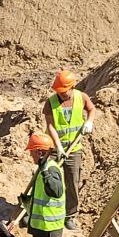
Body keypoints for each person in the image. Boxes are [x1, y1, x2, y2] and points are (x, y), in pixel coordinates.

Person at [43, 69, 95, 228]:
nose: (62, 94)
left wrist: (89, 122)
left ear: (72, 87)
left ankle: (70, 215)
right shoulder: (50, 103)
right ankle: (44, 211)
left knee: (72, 181)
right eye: (59, 91)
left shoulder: (81, 97)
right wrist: (58, 146)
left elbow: (91, 109)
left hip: (74, 149)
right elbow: (50, 126)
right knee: (48, 179)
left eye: (65, 91)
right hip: (54, 148)